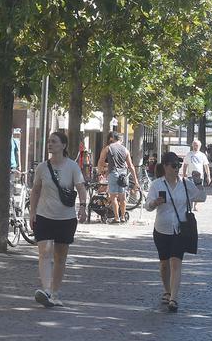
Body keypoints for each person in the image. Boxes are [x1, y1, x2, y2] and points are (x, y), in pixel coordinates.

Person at [29, 132, 88, 308]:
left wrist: (83, 206)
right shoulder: (42, 167)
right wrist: (32, 211)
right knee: (44, 253)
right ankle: (46, 290)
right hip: (44, 216)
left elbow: (81, 188)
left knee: (60, 257)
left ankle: (54, 293)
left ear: (63, 146)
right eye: (49, 141)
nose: (50, 144)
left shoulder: (72, 167)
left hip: (66, 218)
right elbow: (35, 190)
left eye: (54, 142)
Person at [145, 152, 207, 313]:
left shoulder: (186, 184)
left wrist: (199, 182)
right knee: (164, 264)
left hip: (180, 229)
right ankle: (167, 290)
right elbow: (147, 206)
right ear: (165, 166)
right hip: (161, 229)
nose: (176, 168)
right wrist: (154, 202)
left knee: (175, 262)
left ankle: (174, 298)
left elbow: (201, 197)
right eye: (173, 165)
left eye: (178, 166)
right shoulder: (157, 184)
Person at [96, 131, 139, 223]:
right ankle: (123, 216)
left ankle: (116, 218)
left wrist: (100, 172)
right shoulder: (125, 150)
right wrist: (136, 181)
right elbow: (131, 166)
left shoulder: (108, 148)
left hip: (113, 173)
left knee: (113, 197)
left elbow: (100, 162)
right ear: (120, 140)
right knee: (122, 197)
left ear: (112, 139)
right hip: (123, 175)